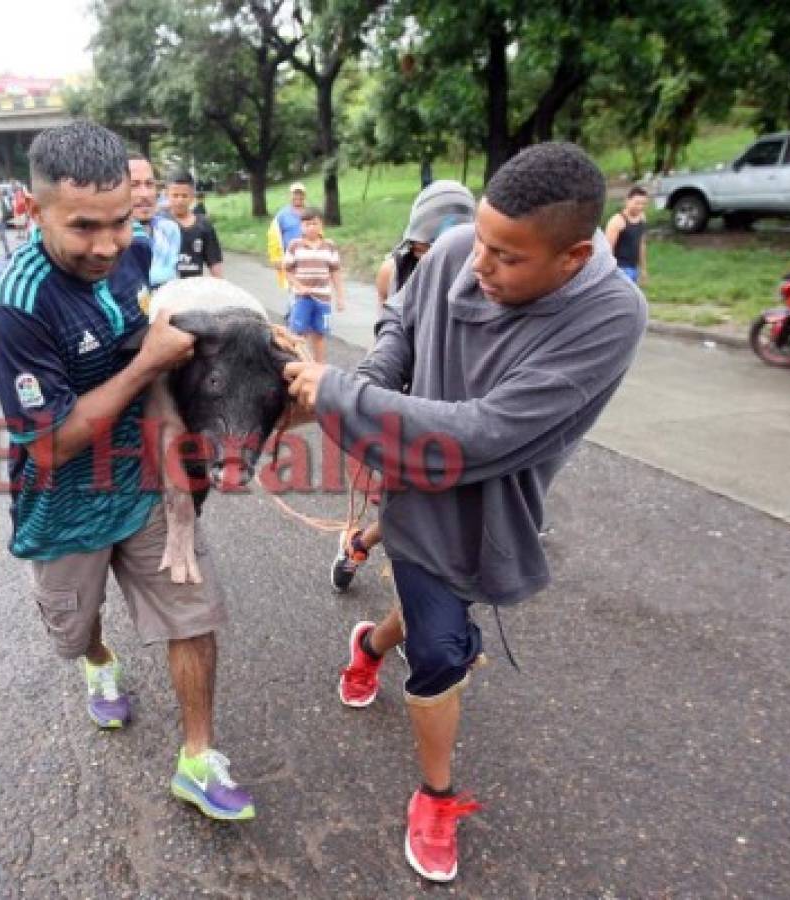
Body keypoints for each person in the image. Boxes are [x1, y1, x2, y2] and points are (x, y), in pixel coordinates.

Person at [282, 143, 647, 883]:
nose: (477, 265)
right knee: (446, 648)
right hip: (418, 484)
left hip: (494, 491)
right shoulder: (455, 249)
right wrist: (368, 387)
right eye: (479, 239)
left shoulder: (610, 315)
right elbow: (400, 328)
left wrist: (343, 399)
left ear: (574, 257)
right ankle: (435, 793)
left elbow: (483, 431)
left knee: (442, 603)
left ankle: (369, 646)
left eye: (506, 257)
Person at [0, 121, 255, 822]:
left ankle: (197, 757)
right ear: (31, 210)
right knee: (74, 629)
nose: (106, 246)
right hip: (61, 503)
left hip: (139, 482)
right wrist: (148, 363)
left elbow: (150, 349)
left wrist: (181, 492)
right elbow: (48, 446)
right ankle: (99, 661)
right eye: (83, 228)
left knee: (192, 610)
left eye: (120, 223)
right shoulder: (14, 304)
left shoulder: (123, 260)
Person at [332, 181, 477, 592]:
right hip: (413, 404)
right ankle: (364, 550)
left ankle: (362, 544)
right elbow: (390, 339)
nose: (432, 259)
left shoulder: (489, 274)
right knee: (410, 505)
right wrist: (367, 398)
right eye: (422, 248)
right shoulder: (393, 271)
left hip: (465, 409)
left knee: (436, 512)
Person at [283, 207, 345, 363]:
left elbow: (335, 272)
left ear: (321, 225)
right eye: (307, 224)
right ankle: (299, 364)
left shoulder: (329, 246)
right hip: (302, 298)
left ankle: (319, 368)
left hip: (323, 298)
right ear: (301, 226)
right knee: (298, 334)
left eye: (315, 223)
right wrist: (298, 286)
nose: (311, 227)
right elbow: (287, 271)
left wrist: (340, 297)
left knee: (320, 334)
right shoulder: (295, 245)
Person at [128, 154, 180, 289]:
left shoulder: (169, 230)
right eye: (134, 185)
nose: (145, 194)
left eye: (149, 184)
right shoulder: (110, 241)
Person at [166, 170, 223, 279]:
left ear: (192, 196)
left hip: (193, 289)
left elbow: (215, 264)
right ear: (167, 195)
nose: (180, 200)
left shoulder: (204, 226)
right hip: (166, 290)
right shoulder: (160, 224)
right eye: (175, 195)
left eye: (184, 195)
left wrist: (221, 289)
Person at [267, 181, 307, 291]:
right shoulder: (282, 216)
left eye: (300, 194)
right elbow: (273, 238)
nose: (298, 197)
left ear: (304, 196)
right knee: (294, 294)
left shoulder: (310, 213)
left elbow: (320, 235)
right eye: (295, 194)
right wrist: (275, 259)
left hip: (308, 259)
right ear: (290, 196)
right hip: (290, 260)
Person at [606, 186, 649, 284]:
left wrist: (643, 269)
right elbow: (608, 250)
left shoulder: (642, 218)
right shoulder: (617, 221)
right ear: (627, 201)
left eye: (643, 204)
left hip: (633, 268)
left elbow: (641, 244)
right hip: (619, 269)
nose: (640, 207)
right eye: (637, 203)